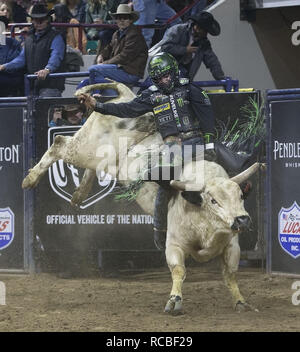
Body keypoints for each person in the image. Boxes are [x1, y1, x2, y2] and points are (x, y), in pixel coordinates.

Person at [78, 52, 216, 250]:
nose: (163, 81)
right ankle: (160, 230)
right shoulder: (151, 95)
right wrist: (98, 106)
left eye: (166, 76)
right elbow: (127, 109)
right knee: (163, 190)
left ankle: (215, 209)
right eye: (159, 78)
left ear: (174, 73)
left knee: (221, 173)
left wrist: (209, 145)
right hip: (172, 148)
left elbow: (206, 115)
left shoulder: (190, 89)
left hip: (195, 142)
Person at [78, 3, 148, 96]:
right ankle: (111, 101)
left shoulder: (134, 35)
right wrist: (101, 55)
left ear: (130, 20)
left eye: (125, 18)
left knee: (94, 70)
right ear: (116, 20)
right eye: (119, 18)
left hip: (130, 72)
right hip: (121, 69)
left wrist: (104, 64)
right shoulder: (117, 33)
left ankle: (97, 95)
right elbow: (109, 47)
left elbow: (124, 56)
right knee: (93, 80)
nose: (122, 20)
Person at [0, 3, 66, 97]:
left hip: (51, 86)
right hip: (32, 87)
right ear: (32, 21)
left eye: (41, 20)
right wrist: (4, 66)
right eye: (36, 19)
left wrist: (47, 69)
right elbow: (22, 59)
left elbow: (56, 56)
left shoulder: (56, 37)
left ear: (47, 20)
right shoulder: (29, 39)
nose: (38, 22)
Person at [149, 11, 225, 82]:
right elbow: (165, 48)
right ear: (197, 27)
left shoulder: (203, 43)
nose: (205, 34)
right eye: (205, 30)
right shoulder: (178, 30)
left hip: (184, 76)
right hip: (164, 71)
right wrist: (185, 50)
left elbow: (212, 61)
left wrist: (221, 78)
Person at [0, 15, 23, 96]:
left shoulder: (13, 44)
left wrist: (3, 67)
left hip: (9, 84)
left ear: (5, 29)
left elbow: (17, 65)